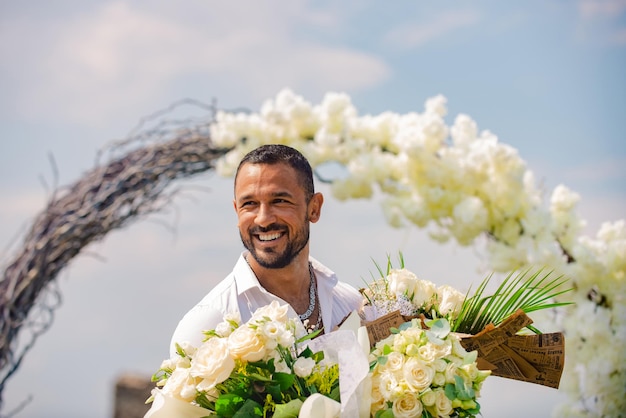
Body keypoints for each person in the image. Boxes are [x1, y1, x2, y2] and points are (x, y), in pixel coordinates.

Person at [169, 144, 362, 356]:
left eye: (279, 201)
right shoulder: (208, 327)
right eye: (249, 204)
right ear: (236, 211)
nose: (263, 219)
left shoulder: (349, 303)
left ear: (314, 208)